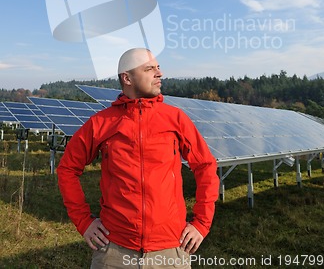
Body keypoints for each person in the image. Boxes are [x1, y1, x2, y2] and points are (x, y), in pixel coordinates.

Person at [57, 48, 219, 268]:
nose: (159, 73)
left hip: (170, 250)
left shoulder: (176, 119)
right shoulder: (101, 123)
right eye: (149, 68)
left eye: (158, 67)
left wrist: (202, 223)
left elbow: (206, 166)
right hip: (113, 251)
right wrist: (84, 221)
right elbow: (67, 169)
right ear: (127, 78)